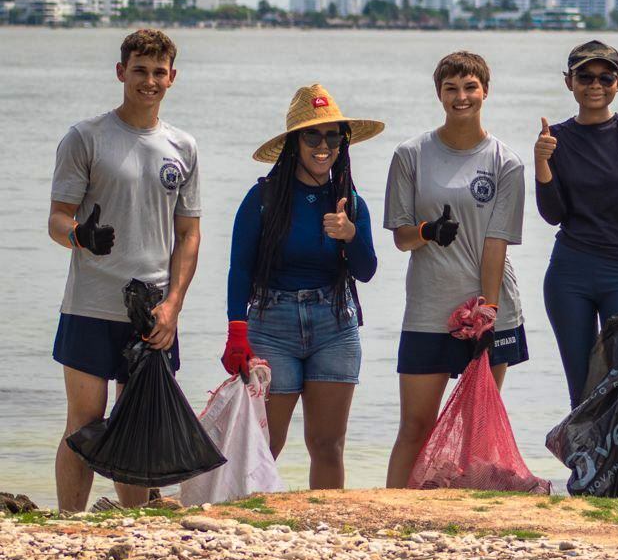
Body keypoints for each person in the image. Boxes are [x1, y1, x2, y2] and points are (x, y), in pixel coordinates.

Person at [48, 29, 201, 512]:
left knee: (138, 421)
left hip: (152, 311)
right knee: (84, 422)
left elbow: (189, 236)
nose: (149, 81)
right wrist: (80, 236)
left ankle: (133, 520)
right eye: (140, 70)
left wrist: (173, 305)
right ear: (121, 73)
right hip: (91, 304)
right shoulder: (86, 137)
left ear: (172, 78)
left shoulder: (183, 146)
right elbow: (56, 219)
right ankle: (68, 520)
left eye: (159, 72)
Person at [221, 84, 384, 489]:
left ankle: (326, 530)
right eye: (313, 135)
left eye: (333, 136)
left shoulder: (350, 201)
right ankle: (250, 522)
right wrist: (236, 333)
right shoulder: (263, 197)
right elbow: (239, 268)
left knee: (327, 445)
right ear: (295, 142)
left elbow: (367, 270)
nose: (323, 145)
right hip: (272, 326)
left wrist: (350, 235)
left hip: (335, 325)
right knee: (265, 444)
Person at [383, 51, 528, 487]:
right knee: (415, 427)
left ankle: (464, 518)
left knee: (475, 432)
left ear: (485, 91)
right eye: (451, 88)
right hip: (428, 309)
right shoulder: (410, 154)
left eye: (470, 87)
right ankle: (391, 514)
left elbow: (496, 244)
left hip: (489, 310)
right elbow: (401, 237)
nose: (461, 97)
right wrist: (428, 230)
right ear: (439, 94)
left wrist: (487, 312)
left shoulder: (507, 162)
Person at [534, 40, 618, 408]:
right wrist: (542, 162)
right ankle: (583, 468)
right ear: (568, 82)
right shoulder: (555, 138)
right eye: (585, 77)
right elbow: (552, 215)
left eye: (605, 77)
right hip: (569, 274)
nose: (595, 85)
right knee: (583, 393)